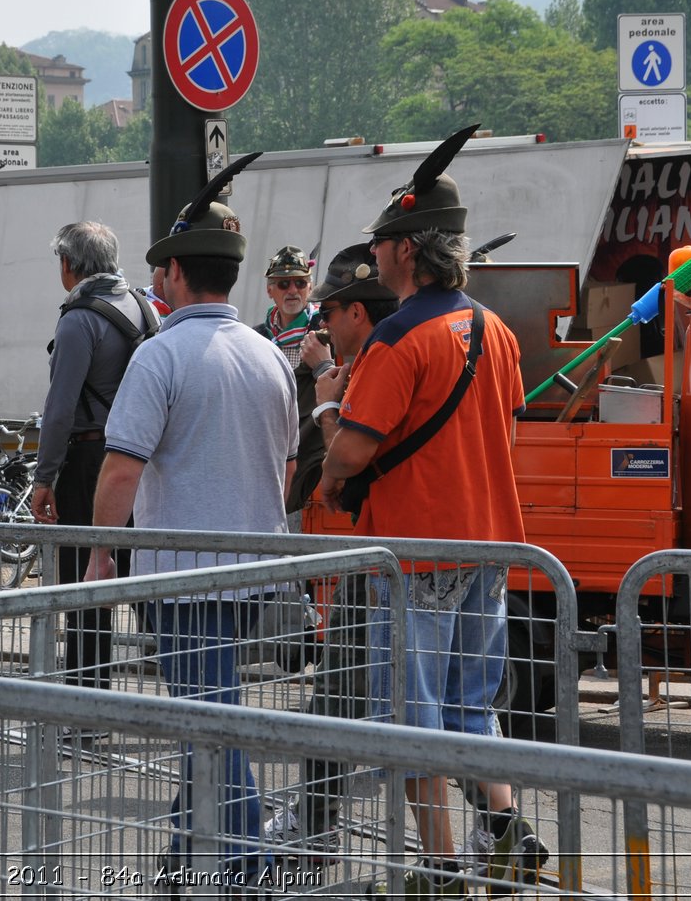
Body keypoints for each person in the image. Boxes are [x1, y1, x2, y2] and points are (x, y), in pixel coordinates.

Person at [316, 127, 547, 896]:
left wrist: (326, 425)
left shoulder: (397, 337)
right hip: (489, 546)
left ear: (409, 249)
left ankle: (444, 864)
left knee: (412, 718)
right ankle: (509, 835)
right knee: (473, 709)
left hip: (416, 551)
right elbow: (502, 432)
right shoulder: (499, 331)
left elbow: (352, 453)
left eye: (382, 243)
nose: (375, 256)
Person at [85, 158, 297, 887]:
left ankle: (246, 858)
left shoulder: (161, 354)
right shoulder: (271, 356)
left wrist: (99, 555)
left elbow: (121, 469)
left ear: (174, 273)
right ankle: (186, 843)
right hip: (253, 566)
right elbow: (287, 465)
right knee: (211, 707)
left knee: (209, 718)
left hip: (181, 571)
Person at [266, 243, 397, 856]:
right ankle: (497, 824)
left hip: (387, 545)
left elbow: (342, 457)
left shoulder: (379, 357)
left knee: (343, 681)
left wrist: (322, 388)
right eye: (287, 284)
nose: (301, 298)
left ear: (354, 313)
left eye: (323, 301)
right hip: (427, 548)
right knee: (449, 704)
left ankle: (316, 821)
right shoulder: (466, 332)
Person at [29, 221, 154, 699]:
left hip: (89, 459)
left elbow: (60, 409)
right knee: (138, 571)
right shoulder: (144, 308)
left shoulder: (79, 318)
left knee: (86, 576)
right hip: (140, 456)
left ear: (68, 264)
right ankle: (186, 686)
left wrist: (44, 477)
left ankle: (87, 695)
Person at [254, 245, 337, 513]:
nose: (292, 290)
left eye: (300, 283)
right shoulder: (256, 337)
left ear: (310, 287)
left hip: (311, 449)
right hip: (268, 442)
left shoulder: (327, 330)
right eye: (283, 284)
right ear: (270, 290)